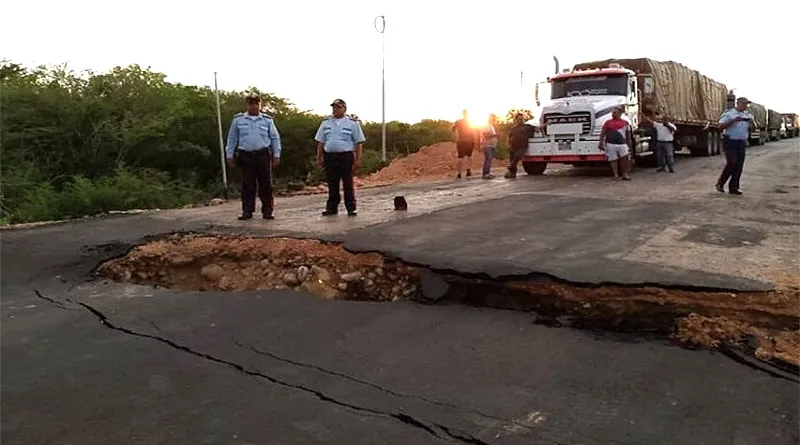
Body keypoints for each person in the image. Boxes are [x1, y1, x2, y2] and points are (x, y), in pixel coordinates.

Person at [225, 92, 282, 220]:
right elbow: (232, 138)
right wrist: (229, 155)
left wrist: (276, 154)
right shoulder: (238, 120)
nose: (253, 106)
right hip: (246, 156)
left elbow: (274, 138)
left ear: (259, 104)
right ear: (247, 105)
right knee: (247, 185)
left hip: (262, 155)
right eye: (251, 104)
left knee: (266, 184)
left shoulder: (267, 120)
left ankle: (267, 211)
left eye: (256, 103)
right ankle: (247, 211)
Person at [315, 99, 366, 216]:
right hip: (330, 156)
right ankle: (332, 208)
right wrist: (319, 158)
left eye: (338, 107)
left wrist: (358, 159)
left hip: (345, 156)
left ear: (344, 109)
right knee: (332, 183)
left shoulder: (352, 123)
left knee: (347, 183)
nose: (335, 110)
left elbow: (358, 143)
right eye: (334, 107)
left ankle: (351, 207)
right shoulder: (326, 123)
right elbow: (320, 142)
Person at [716, 97, 753, 195]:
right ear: (738, 103)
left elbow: (751, 128)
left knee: (739, 166)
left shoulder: (747, 115)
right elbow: (720, 126)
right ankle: (720, 183)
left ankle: (734, 187)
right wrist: (733, 121)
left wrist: (751, 124)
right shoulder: (729, 114)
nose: (746, 106)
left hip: (741, 142)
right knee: (732, 162)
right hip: (730, 141)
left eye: (747, 104)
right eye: (744, 104)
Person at [598, 107, 632, 180]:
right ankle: (615, 174)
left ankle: (624, 174)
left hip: (622, 143)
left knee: (624, 159)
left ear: (620, 114)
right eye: (612, 113)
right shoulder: (608, 122)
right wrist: (600, 142)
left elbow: (628, 134)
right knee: (613, 160)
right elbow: (603, 133)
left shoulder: (625, 123)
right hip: (611, 143)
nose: (613, 114)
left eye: (614, 113)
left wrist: (629, 144)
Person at [505, 113, 537, 178]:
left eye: (521, 118)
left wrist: (546, 124)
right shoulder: (513, 128)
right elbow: (509, 136)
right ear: (516, 120)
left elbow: (538, 128)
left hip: (522, 146)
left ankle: (510, 168)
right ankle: (513, 174)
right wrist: (508, 144)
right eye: (519, 119)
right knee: (512, 159)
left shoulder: (528, 126)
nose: (521, 120)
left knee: (516, 158)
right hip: (513, 146)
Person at [451, 109, 477, 179]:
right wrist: (475, 139)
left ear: (463, 113)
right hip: (470, 141)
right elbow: (473, 131)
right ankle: (468, 170)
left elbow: (453, 129)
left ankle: (459, 173)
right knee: (469, 156)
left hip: (461, 141)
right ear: (467, 114)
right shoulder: (470, 122)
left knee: (460, 157)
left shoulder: (458, 121)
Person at [480, 114, 499, 179]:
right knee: (488, 159)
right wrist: (496, 135)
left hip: (491, 145)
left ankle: (487, 173)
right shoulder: (486, 126)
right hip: (487, 145)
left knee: (489, 159)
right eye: (493, 118)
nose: (494, 120)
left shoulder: (491, 126)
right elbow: (486, 135)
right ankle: (485, 174)